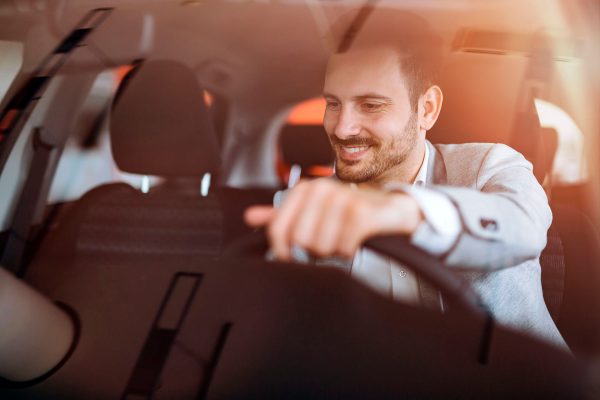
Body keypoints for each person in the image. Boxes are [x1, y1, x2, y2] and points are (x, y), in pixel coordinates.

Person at [244, 13, 566, 348]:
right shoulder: (301, 206)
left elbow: (523, 227)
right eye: (333, 104)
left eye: (370, 106)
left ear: (427, 108)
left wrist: (402, 211)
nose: (341, 128)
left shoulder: (489, 166)